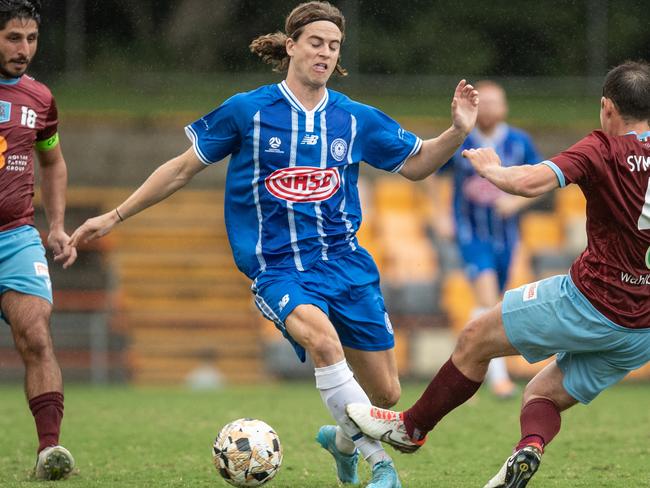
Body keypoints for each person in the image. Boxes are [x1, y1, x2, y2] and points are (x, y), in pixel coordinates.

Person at [68, 2, 478, 487]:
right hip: (278, 268)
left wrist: (457, 132)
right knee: (323, 341)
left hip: (347, 266)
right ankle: (379, 464)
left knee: (386, 395)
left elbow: (418, 164)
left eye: (334, 46)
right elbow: (180, 168)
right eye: (315, 43)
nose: (324, 53)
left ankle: (342, 440)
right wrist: (115, 215)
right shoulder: (248, 111)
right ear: (291, 46)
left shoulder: (355, 119)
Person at [347, 60, 650, 488]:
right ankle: (528, 449)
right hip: (641, 331)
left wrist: (490, 169)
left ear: (607, 108)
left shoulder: (603, 148)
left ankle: (411, 429)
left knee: (474, 339)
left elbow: (529, 182)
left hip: (591, 300)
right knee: (542, 394)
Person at [0, 0, 77, 480]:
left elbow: (53, 161)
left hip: (16, 237)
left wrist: (56, 226)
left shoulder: (39, 99)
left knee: (36, 334)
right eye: (13, 37)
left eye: (30, 39)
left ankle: (50, 450)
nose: (23, 48)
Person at [429, 80, 543, 398]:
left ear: (505, 107)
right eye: (486, 102)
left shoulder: (520, 142)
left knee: (494, 304)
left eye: (496, 102)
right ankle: (498, 379)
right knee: (488, 295)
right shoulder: (463, 141)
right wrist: (439, 215)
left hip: (507, 236)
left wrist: (516, 201)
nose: (491, 108)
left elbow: (541, 180)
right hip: (472, 233)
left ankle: (465, 361)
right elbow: (436, 177)